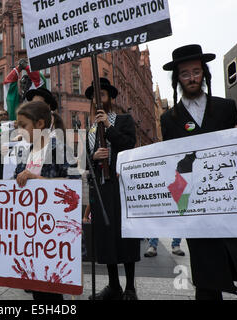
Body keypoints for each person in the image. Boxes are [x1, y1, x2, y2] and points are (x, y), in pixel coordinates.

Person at [160, 44, 237, 300]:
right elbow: (173, 166)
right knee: (207, 277)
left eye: (196, 71)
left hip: (232, 205)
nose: (191, 78)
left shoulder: (226, 107)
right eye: (185, 74)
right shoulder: (169, 118)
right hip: (197, 211)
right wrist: (180, 205)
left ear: (204, 74)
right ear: (177, 79)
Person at [14, 100, 79, 300]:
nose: (20, 130)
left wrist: (37, 179)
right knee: (37, 285)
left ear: (40, 124)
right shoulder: (26, 153)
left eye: (23, 125)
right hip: (31, 228)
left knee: (50, 287)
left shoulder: (59, 148)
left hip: (53, 229)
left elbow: (73, 184)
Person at [85, 77, 140, 300]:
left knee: (125, 235)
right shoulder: (89, 130)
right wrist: (93, 156)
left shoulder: (123, 120)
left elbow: (128, 145)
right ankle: (113, 285)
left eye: (103, 96)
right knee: (105, 237)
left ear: (110, 99)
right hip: (101, 188)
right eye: (95, 98)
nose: (99, 100)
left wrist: (107, 127)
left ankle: (130, 287)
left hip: (122, 186)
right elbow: (86, 164)